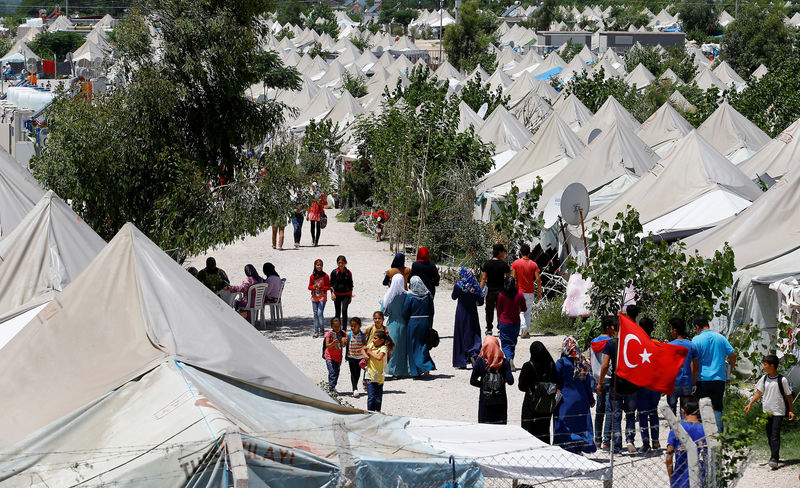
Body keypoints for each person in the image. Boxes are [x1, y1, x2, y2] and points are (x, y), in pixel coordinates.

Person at [596, 315, 640, 454]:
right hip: (631, 383)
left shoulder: (611, 344)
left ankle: (616, 447)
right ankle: (630, 440)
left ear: (613, 328)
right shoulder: (632, 343)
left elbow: (605, 366)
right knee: (630, 414)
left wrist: (600, 382)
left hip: (617, 383)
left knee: (615, 415)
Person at [744, 355, 795, 469]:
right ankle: (774, 454)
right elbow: (758, 393)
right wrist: (750, 404)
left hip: (778, 411)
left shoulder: (782, 380)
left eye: (765, 364)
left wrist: (791, 411)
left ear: (772, 366)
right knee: (769, 435)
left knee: (775, 434)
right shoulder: (764, 378)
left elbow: (788, 396)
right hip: (767, 411)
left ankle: (774, 458)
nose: (764, 366)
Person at [692, 315, 736, 432]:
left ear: (697, 327)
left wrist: (693, 381)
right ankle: (718, 437)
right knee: (717, 408)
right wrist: (730, 370)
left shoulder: (696, 340)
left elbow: (694, 364)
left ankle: (704, 438)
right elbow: (733, 354)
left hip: (702, 379)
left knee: (702, 409)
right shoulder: (720, 338)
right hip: (719, 379)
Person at [554, 336, 597, 454]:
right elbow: (588, 383)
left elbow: (556, 381)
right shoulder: (583, 363)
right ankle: (581, 447)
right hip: (582, 399)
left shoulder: (561, 363)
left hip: (566, 400)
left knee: (566, 425)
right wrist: (591, 399)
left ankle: (569, 448)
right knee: (582, 424)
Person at [518, 341, 558, 443]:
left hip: (531, 403)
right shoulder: (551, 365)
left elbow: (521, 387)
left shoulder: (528, 365)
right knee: (544, 430)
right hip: (547, 403)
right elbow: (556, 383)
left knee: (529, 431)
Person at [470, 336, 514, 424]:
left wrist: (484, 385)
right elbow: (511, 381)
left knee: (485, 427)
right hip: (500, 399)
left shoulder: (480, 361)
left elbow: (472, 381)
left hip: (485, 399)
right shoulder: (504, 362)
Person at [665, 397, 707, 488]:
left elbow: (668, 458)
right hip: (701, 479)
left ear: (683, 411)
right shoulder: (705, 431)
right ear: (699, 412)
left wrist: (672, 477)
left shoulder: (676, 430)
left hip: (680, 480)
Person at [590, 316, 617, 449]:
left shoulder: (593, 342)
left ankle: (597, 439)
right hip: (609, 380)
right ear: (608, 327)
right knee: (609, 411)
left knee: (599, 412)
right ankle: (606, 441)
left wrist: (595, 381)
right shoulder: (612, 343)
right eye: (613, 327)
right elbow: (607, 364)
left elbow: (591, 362)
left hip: (597, 380)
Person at [636, 317, 661, 452]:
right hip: (655, 384)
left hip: (642, 384)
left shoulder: (636, 344)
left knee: (643, 414)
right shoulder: (657, 343)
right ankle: (656, 441)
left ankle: (646, 443)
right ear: (652, 329)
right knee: (653, 412)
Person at [402, 276, 436, 377]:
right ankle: (426, 366)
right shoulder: (428, 295)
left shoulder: (410, 296)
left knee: (412, 346)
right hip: (425, 321)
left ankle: (415, 372)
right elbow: (432, 311)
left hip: (413, 322)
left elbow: (405, 312)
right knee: (423, 344)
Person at [452, 267, 485, 369]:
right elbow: (480, 302)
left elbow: (453, 297)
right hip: (472, 312)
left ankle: (461, 361)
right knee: (473, 333)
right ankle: (474, 354)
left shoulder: (458, 285)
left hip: (461, 312)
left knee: (461, 334)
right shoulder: (475, 285)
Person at [667, 317, 698, 416]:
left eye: (671, 329)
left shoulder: (669, 346)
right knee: (685, 411)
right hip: (687, 383)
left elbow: (666, 367)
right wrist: (693, 383)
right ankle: (685, 430)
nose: (670, 331)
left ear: (675, 331)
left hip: (672, 384)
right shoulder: (691, 345)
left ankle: (673, 431)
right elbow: (695, 366)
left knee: (671, 412)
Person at [511, 244, 542, 339]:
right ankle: (526, 330)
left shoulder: (515, 263)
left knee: (520, 311)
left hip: (519, 291)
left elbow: (513, 278)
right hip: (530, 291)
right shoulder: (534, 264)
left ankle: (523, 327)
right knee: (528, 312)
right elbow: (537, 279)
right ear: (529, 253)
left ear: (520, 253)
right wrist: (539, 292)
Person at [496, 276, 526, 369]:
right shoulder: (520, 295)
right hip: (515, 322)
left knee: (505, 342)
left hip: (504, 321)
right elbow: (524, 309)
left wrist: (499, 321)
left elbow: (498, 310)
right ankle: (511, 358)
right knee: (513, 342)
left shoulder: (501, 295)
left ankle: (509, 358)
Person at [480, 243, 511, 336]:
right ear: (500, 252)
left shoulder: (487, 264)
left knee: (489, 309)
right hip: (501, 290)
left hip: (491, 290)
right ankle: (500, 328)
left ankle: (489, 329)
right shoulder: (504, 264)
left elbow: (484, 278)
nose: (504, 254)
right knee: (500, 310)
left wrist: (479, 290)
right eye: (503, 252)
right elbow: (509, 278)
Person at [383, 276, 410, 377]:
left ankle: (390, 369)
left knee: (391, 347)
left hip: (392, 323)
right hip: (404, 323)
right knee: (403, 348)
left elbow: (384, 311)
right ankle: (402, 370)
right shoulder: (407, 295)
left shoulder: (389, 295)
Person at [364, 330, 393, 412]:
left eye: (375, 338)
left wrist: (369, 352)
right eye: (373, 338)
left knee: (378, 397)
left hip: (379, 377)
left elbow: (379, 358)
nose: (373, 340)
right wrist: (365, 355)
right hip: (369, 375)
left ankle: (377, 411)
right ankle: (370, 412)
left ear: (382, 340)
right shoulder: (371, 345)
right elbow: (362, 349)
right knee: (371, 397)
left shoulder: (383, 348)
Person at [330, 255, 354, 326]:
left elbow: (351, 285)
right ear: (337, 263)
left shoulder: (348, 273)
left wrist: (350, 297)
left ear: (345, 263)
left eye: (342, 263)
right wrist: (332, 293)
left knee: (344, 311)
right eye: (339, 263)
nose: (340, 264)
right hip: (337, 295)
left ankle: (344, 329)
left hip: (346, 295)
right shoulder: (334, 272)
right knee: (337, 312)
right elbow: (331, 284)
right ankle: (337, 328)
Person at [308, 259, 330, 338]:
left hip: (322, 297)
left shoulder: (325, 276)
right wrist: (313, 287)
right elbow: (309, 287)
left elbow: (328, 287)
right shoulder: (312, 276)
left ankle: (322, 329)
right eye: (317, 265)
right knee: (315, 314)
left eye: (320, 265)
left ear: (322, 266)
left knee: (320, 314)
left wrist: (321, 287)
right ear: (315, 266)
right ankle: (316, 331)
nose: (319, 266)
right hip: (314, 297)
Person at [345, 317, 367, 398]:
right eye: (351, 326)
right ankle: (354, 388)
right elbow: (345, 344)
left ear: (359, 326)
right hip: (351, 357)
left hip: (360, 357)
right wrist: (344, 341)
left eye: (354, 326)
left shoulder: (362, 335)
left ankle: (355, 387)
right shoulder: (349, 334)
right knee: (352, 373)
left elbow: (365, 345)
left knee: (357, 373)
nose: (352, 328)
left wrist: (361, 349)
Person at [324, 318, 346, 391]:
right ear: (331, 326)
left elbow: (343, 346)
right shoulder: (329, 334)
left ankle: (332, 386)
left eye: (339, 326)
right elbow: (327, 345)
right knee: (332, 372)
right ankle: (331, 389)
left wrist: (343, 341)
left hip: (338, 358)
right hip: (329, 357)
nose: (337, 328)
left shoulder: (342, 333)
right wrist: (333, 343)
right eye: (335, 326)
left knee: (336, 373)